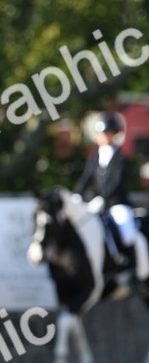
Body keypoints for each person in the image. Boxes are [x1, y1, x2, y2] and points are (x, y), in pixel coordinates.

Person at [74, 112, 143, 274]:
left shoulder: (121, 158)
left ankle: (131, 267)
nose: (103, 137)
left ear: (113, 134)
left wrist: (102, 199)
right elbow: (85, 180)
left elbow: (115, 183)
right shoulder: (93, 158)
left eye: (106, 133)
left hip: (116, 205)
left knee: (127, 233)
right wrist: (77, 196)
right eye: (101, 133)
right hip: (97, 204)